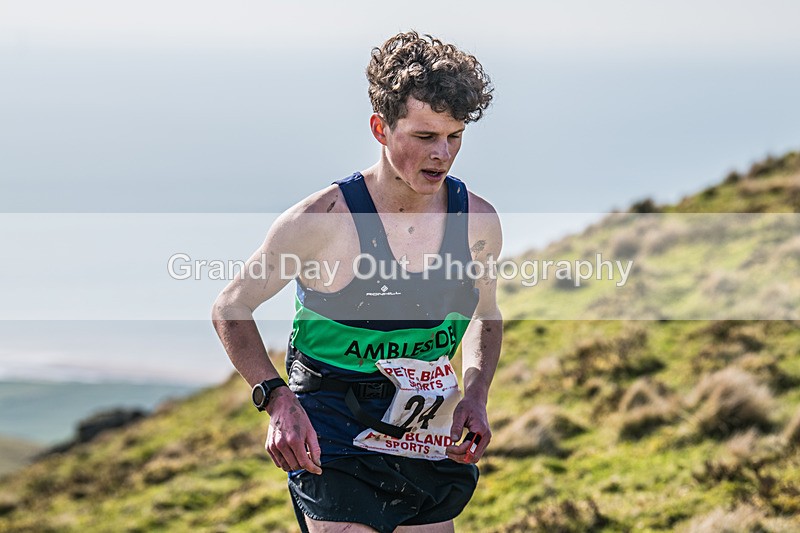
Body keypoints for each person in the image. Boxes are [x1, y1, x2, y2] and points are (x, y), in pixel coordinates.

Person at [212, 31, 502, 533]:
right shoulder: (321, 220)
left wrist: (475, 394)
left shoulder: (477, 221)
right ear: (380, 128)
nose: (443, 154)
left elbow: (487, 316)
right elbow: (231, 308)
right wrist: (276, 399)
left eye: (454, 136)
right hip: (331, 428)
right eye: (425, 136)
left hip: (423, 429)